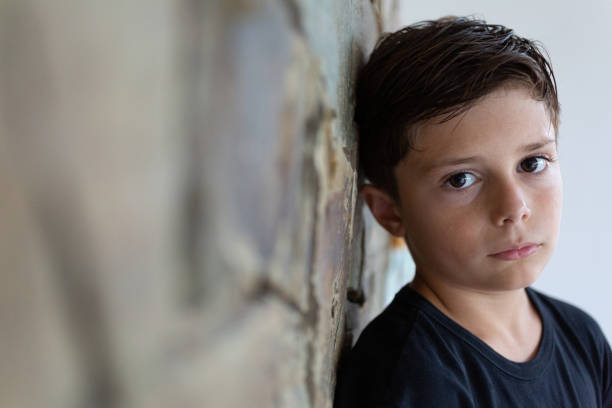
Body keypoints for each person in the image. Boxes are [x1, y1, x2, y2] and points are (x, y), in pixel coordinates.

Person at [334, 16, 612, 407]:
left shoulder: (582, 339)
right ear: (389, 211)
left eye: (532, 163)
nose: (514, 208)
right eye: (461, 179)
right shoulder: (409, 376)